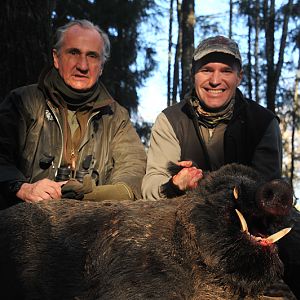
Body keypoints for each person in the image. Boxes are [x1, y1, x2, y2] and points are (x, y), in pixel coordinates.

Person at [142, 35, 300, 299]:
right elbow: (149, 186)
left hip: (247, 222)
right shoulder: (170, 120)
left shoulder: (263, 122)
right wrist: (175, 184)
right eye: (206, 70)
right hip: (183, 218)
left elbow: (266, 192)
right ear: (193, 74)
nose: (215, 80)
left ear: (240, 76)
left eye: (226, 71)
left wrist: (206, 184)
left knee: (294, 232)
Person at [0, 19, 146, 209]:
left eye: (92, 56)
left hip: (89, 230)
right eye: (74, 53)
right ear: (56, 58)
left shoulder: (117, 117)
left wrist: (86, 195)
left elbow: (132, 176)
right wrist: (23, 188)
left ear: (101, 66)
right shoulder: (22, 101)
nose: (83, 65)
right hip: (20, 227)